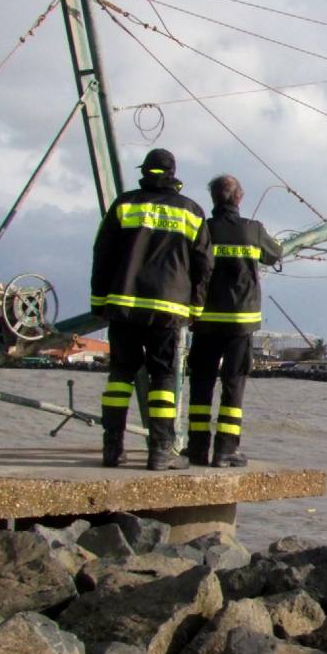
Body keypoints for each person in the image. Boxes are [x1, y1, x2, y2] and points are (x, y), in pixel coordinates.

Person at [91, 148, 212, 471]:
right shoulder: (191, 211)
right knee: (163, 378)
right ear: (173, 173)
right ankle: (160, 451)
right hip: (167, 308)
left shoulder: (125, 204)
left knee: (120, 376)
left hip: (124, 305)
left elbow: (101, 253)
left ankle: (112, 449)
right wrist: (196, 307)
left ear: (144, 171)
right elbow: (203, 265)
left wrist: (98, 300)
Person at [185, 174, 284, 467]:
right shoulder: (252, 230)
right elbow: (275, 253)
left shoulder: (202, 229)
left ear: (213, 198)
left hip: (204, 322)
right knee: (233, 384)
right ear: (239, 198)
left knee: (201, 384)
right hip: (241, 323)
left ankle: (197, 449)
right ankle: (225, 450)